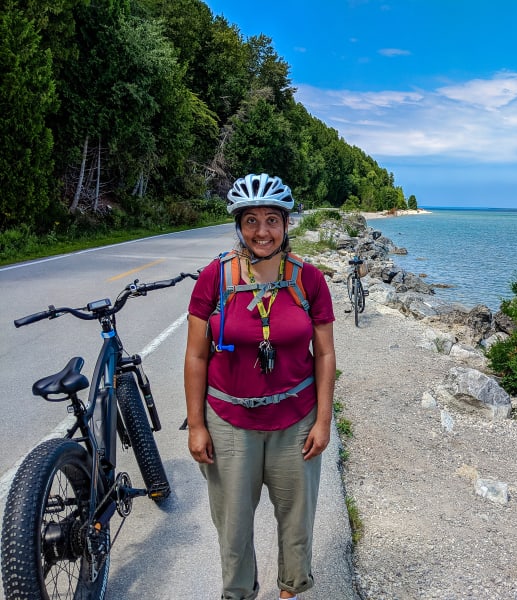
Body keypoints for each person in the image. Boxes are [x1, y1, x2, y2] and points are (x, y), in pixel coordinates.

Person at [184, 173, 336, 600]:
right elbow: (196, 356)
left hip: (295, 420)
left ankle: (290, 590)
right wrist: (197, 425)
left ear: (286, 224)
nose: (262, 231)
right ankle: (238, 595)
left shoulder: (309, 280)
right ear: (239, 226)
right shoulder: (215, 278)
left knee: (296, 520)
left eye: (272, 219)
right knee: (233, 528)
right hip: (229, 420)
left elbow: (324, 354)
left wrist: (323, 422)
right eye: (251, 220)